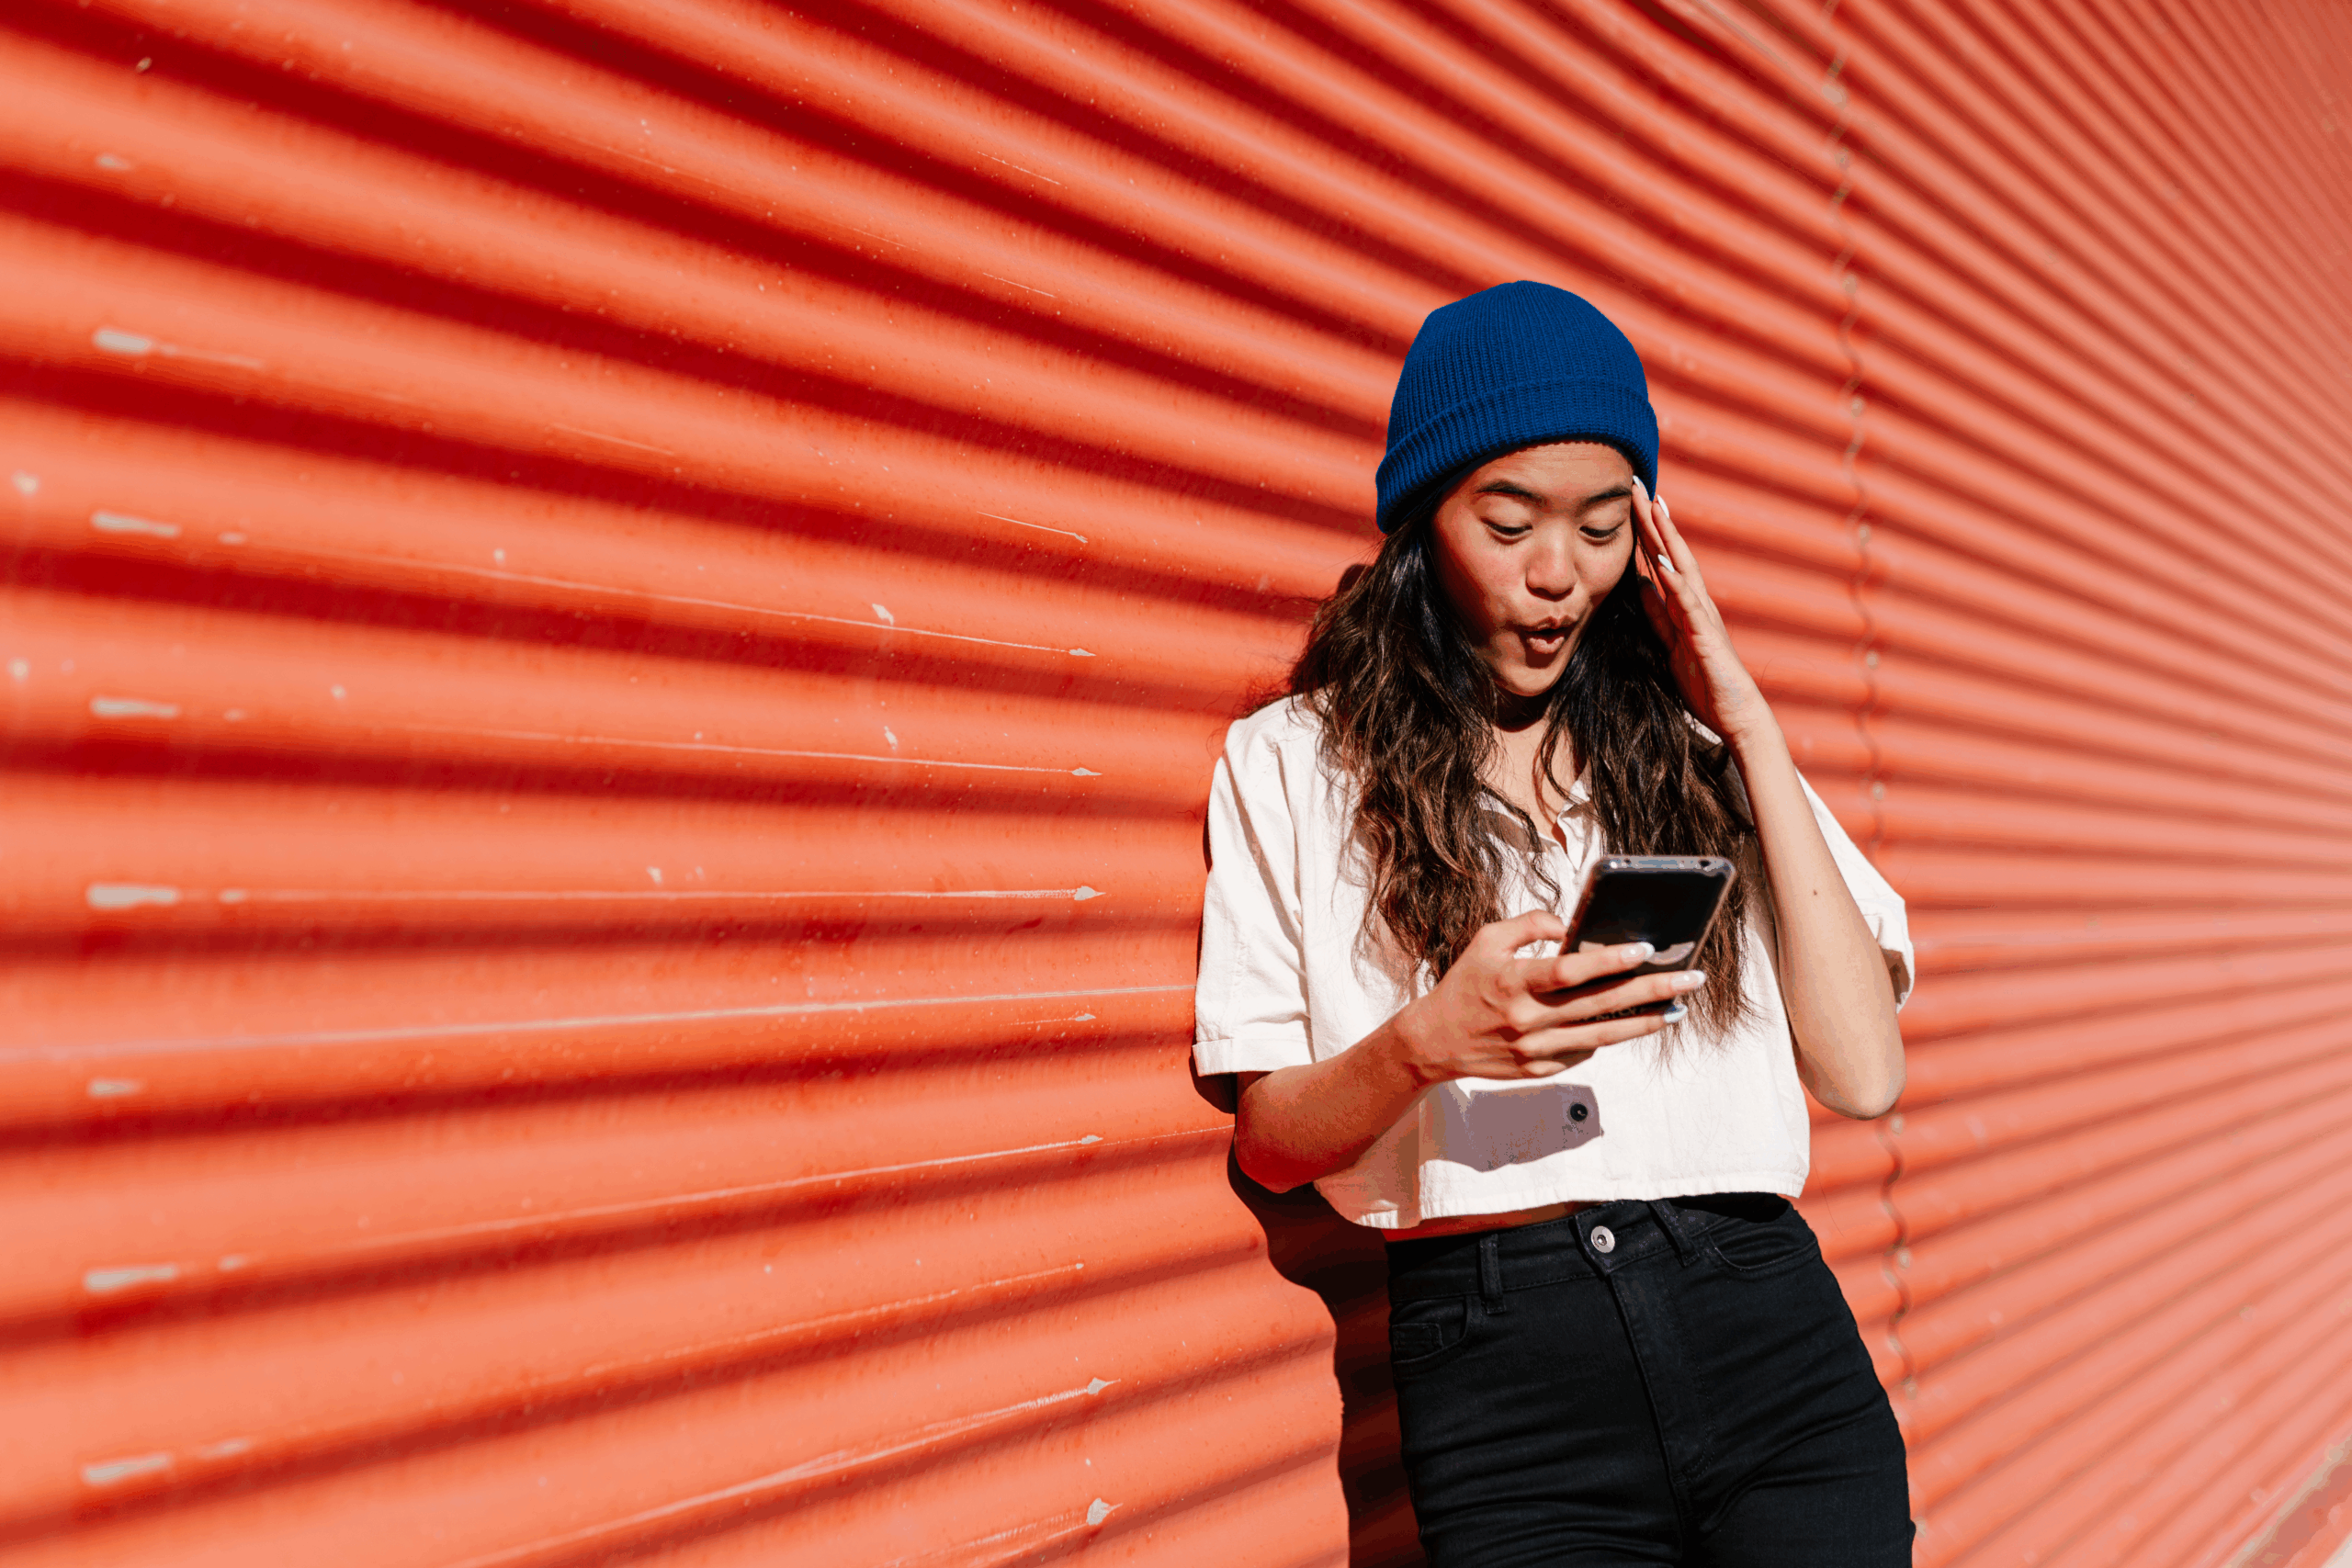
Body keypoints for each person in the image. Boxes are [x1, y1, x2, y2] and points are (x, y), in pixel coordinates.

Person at [1193, 282, 1916, 1566]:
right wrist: (1430, 1041)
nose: (1556, 575)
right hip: (1507, 1381)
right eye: (1509, 520)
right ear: (1426, 519)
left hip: (1767, 1334)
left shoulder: (1699, 747)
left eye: (1599, 528)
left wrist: (1746, 718)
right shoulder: (1294, 763)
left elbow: (1864, 1071)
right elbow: (1272, 1139)